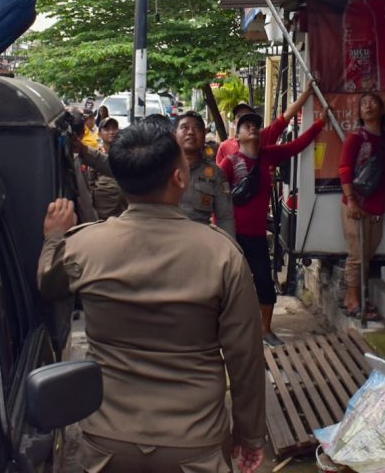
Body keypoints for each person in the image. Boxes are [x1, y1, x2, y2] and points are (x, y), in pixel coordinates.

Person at [38, 119, 266, 473]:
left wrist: (54, 238)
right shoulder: (222, 256)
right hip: (196, 443)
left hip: (108, 441)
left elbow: (48, 286)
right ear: (180, 178)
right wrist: (250, 436)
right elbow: (245, 358)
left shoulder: (83, 247)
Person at [221, 110, 326, 347]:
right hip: (233, 235)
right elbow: (218, 196)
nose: (252, 128)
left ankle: (265, 329)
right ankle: (230, 331)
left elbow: (298, 145)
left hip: (257, 235)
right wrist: (220, 232)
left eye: (255, 125)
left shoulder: (268, 156)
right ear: (237, 137)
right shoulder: (230, 162)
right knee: (231, 285)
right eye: (246, 126)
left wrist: (320, 122)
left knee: (265, 283)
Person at [339, 92, 385, 321]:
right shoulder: (356, 138)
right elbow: (344, 169)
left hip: (377, 206)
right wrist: (351, 199)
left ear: (381, 110)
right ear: (359, 113)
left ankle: (359, 295)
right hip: (356, 204)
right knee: (357, 255)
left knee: (367, 254)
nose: (368, 106)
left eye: (373, 102)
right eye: (363, 104)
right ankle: (352, 299)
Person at [216, 88, 314, 165]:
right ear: (234, 123)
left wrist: (307, 93)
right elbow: (218, 181)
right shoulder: (226, 152)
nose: (246, 122)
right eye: (240, 117)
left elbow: (295, 144)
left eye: (249, 118)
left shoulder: (267, 151)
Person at [177, 110, 236, 233]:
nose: (191, 132)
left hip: (199, 244)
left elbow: (225, 218)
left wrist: (228, 249)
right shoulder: (162, 169)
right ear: (174, 134)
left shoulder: (216, 174)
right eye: (184, 127)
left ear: (204, 135)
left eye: (197, 128)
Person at [76, 117, 127, 221]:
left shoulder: (124, 153)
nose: (111, 132)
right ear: (99, 134)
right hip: (104, 210)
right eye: (107, 129)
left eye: (114, 129)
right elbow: (90, 183)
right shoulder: (94, 156)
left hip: (123, 210)